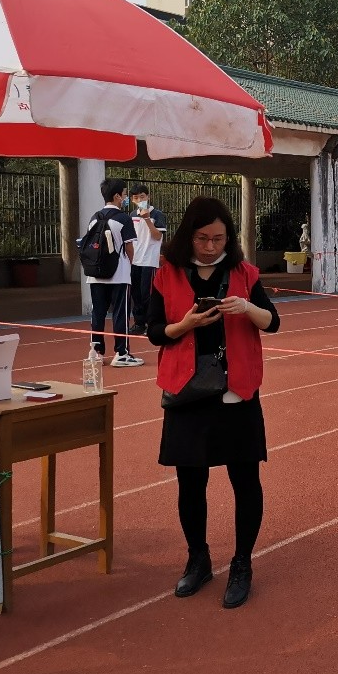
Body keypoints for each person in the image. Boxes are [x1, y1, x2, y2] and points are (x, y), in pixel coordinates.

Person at [147, 197, 281, 609]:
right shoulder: (166, 274)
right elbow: (154, 331)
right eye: (202, 238)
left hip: (236, 392)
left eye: (218, 238)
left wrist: (247, 307)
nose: (209, 246)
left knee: (245, 479)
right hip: (186, 392)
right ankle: (198, 558)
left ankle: (242, 564)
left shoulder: (244, 273)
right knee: (190, 482)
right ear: (188, 235)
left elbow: (273, 322)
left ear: (229, 237)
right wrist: (185, 324)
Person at [86, 178, 143, 367]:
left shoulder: (94, 217)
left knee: (98, 313)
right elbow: (129, 248)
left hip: (95, 274)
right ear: (117, 196)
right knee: (121, 313)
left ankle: (95, 352)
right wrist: (132, 266)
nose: (126, 198)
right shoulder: (123, 219)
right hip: (119, 274)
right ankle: (122, 353)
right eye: (125, 194)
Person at [128, 184, 166, 336]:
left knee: (147, 294)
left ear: (148, 197)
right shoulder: (132, 215)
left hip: (149, 260)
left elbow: (158, 236)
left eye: (142, 197)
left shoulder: (157, 214)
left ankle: (152, 323)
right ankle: (139, 323)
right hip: (134, 260)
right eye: (136, 198)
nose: (140, 200)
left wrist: (147, 219)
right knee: (136, 294)